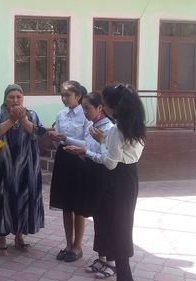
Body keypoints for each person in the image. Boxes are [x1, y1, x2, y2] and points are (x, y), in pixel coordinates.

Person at [64, 84, 146, 281]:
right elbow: (122, 154)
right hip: (129, 178)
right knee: (123, 224)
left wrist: (87, 152)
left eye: (107, 106)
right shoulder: (136, 127)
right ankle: (121, 272)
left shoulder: (117, 130)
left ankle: (123, 274)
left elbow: (110, 163)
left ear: (116, 107)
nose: (106, 109)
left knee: (116, 226)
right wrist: (103, 142)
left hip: (116, 180)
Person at [0, 83, 46, 256]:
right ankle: (2, 238)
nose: (15, 100)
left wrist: (23, 119)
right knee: (2, 200)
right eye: (11, 97)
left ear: (23, 98)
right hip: (2, 167)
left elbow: (38, 134)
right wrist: (11, 120)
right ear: (5, 99)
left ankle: (19, 235)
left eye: (18, 97)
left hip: (26, 167)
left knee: (23, 200)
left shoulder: (32, 114)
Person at [62, 92, 116, 278]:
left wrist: (85, 152)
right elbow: (88, 144)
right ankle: (101, 258)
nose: (84, 112)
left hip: (104, 177)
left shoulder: (108, 128)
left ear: (100, 108)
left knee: (107, 220)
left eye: (87, 108)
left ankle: (111, 261)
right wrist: (67, 140)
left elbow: (106, 157)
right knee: (98, 220)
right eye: (83, 108)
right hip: (92, 175)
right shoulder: (94, 125)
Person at [49, 80, 91, 262]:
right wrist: (57, 138)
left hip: (79, 160)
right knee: (65, 204)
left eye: (67, 95)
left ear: (78, 96)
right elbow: (58, 141)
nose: (64, 98)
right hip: (64, 159)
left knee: (78, 205)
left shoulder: (86, 115)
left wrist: (67, 138)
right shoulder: (61, 114)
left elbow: (89, 143)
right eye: (62, 95)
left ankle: (77, 246)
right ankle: (68, 244)